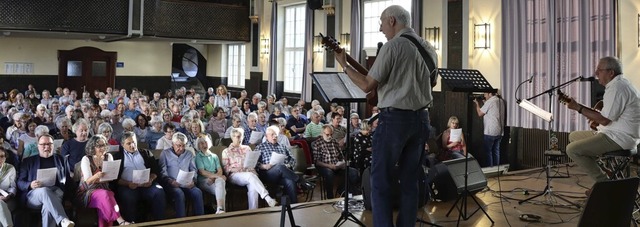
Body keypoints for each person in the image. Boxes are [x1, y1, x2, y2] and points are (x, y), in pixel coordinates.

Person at [335, 5, 435, 226]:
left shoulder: (393, 47)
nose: (380, 28)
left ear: (392, 21)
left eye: (381, 22)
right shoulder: (428, 47)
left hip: (395, 121)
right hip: (422, 120)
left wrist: (343, 65)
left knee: (380, 180)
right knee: (410, 181)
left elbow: (366, 85)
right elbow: (432, 82)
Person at [564, 56, 640, 194]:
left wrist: (578, 108)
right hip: (614, 133)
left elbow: (604, 120)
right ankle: (607, 170)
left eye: (600, 70)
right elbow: (605, 115)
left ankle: (603, 184)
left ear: (611, 72)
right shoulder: (618, 85)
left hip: (619, 138)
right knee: (574, 136)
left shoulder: (618, 88)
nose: (596, 73)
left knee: (572, 150)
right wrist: (579, 107)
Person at [18, 134, 75, 227]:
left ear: (53, 145)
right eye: (43, 144)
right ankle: (63, 219)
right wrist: (30, 184)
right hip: (35, 195)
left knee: (48, 206)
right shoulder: (28, 161)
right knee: (45, 191)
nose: (47, 147)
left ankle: (62, 220)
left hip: (56, 192)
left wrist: (68, 199)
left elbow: (68, 181)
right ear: (38, 146)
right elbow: (20, 182)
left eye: (49, 144)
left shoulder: (61, 160)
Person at [77, 135, 132, 226]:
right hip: (88, 192)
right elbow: (87, 181)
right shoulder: (86, 159)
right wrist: (97, 176)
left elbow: (111, 177)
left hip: (104, 188)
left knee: (107, 197)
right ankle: (121, 221)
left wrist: (106, 177)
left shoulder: (108, 156)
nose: (102, 148)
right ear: (92, 147)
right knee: (106, 195)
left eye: (103, 145)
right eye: (99, 146)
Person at [114, 132, 166, 222]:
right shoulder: (118, 157)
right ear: (122, 145)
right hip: (128, 186)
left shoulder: (146, 153)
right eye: (129, 143)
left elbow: (155, 170)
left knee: (159, 192)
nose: (132, 145)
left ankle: (160, 222)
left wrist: (151, 179)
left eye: (134, 142)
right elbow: (115, 178)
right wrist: (128, 184)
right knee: (129, 197)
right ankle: (132, 223)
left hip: (147, 184)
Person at [221, 128, 277, 209]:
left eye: (241, 137)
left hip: (249, 173)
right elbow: (226, 169)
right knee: (250, 176)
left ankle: (253, 211)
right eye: (237, 137)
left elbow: (252, 163)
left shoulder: (247, 148)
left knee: (253, 187)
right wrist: (237, 169)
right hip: (235, 175)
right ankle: (267, 197)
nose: (240, 139)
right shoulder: (226, 151)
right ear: (232, 137)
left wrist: (253, 168)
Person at [255, 126, 311, 204]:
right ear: (266, 136)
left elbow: (292, 160)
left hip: (283, 173)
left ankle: (294, 205)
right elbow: (254, 163)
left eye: (276, 135)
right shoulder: (260, 147)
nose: (274, 137)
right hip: (268, 173)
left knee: (290, 181)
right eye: (272, 135)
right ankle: (301, 181)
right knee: (279, 167)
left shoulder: (282, 146)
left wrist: (288, 165)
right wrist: (263, 166)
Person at [158, 132, 204, 217]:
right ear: (173, 144)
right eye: (178, 145)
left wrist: (193, 181)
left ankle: (200, 220)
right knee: (179, 194)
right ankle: (181, 221)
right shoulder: (165, 154)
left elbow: (194, 169)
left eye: (183, 145)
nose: (181, 148)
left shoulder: (189, 154)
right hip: (171, 184)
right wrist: (171, 181)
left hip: (187, 183)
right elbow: (162, 172)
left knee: (197, 192)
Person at [313, 126, 360, 199]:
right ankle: (330, 197)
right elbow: (317, 162)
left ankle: (342, 190)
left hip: (337, 165)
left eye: (331, 134)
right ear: (322, 133)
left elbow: (341, 156)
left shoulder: (334, 142)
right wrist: (329, 166)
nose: (330, 137)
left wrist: (343, 163)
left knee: (354, 172)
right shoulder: (317, 143)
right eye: (327, 135)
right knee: (329, 174)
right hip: (325, 166)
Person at [194, 135, 227, 214]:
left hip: (214, 180)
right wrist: (217, 177)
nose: (204, 145)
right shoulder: (198, 157)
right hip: (203, 181)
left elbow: (219, 170)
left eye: (205, 142)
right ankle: (222, 211)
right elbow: (202, 172)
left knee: (220, 183)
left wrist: (214, 178)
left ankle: (219, 209)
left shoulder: (214, 156)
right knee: (222, 189)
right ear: (198, 145)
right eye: (201, 143)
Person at [473, 91, 505, 167]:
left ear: (490, 93)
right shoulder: (500, 101)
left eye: (485, 94)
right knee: (496, 151)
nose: (484, 96)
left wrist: (477, 104)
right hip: (500, 131)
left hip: (490, 131)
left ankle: (490, 169)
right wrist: (485, 102)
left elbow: (480, 113)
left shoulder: (490, 101)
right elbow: (492, 111)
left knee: (488, 152)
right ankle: (496, 169)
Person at [0, 148, 15, 227]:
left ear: (5, 158)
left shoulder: (10, 168)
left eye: (2, 156)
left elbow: (13, 186)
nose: (0, 159)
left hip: (7, 198)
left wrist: (8, 196)